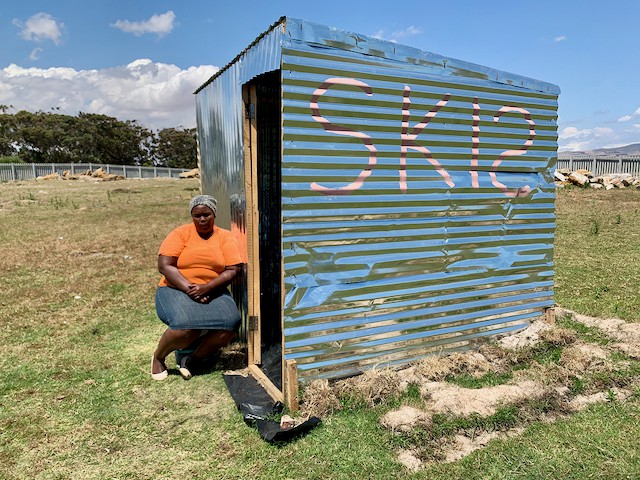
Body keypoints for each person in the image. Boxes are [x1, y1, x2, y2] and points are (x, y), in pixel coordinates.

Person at [151, 194, 243, 380]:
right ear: (192, 216)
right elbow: (165, 265)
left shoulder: (225, 237)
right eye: (197, 215)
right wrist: (190, 289)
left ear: (214, 214)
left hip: (212, 288)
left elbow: (233, 269)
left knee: (230, 324)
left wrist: (208, 288)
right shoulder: (180, 234)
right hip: (175, 287)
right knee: (186, 328)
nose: (202, 219)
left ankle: (192, 359)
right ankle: (159, 357)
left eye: (206, 214)